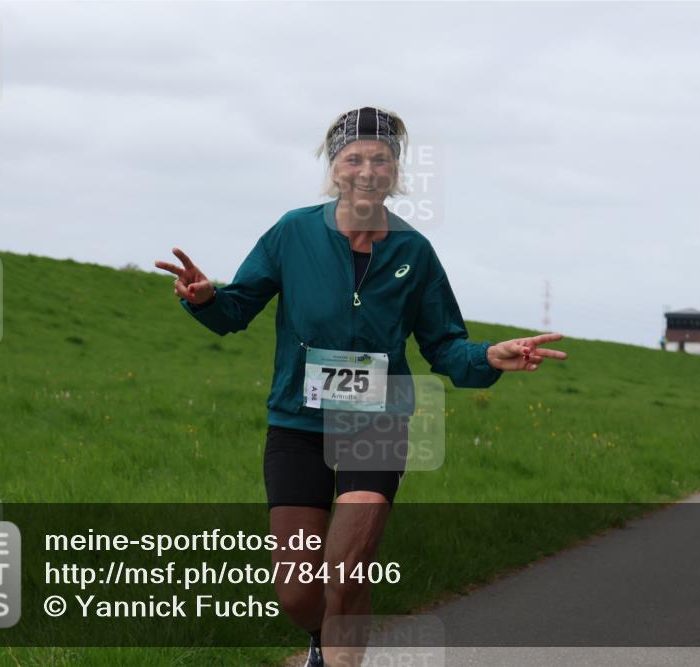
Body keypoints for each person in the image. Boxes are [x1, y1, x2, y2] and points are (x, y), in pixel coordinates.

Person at [156, 106, 568, 667]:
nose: (368, 169)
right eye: (355, 158)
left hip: (377, 421)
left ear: (396, 173)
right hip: (297, 424)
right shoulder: (292, 233)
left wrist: (489, 356)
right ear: (336, 171)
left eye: (381, 159)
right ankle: (325, 642)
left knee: (346, 569)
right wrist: (204, 300)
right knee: (298, 592)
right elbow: (235, 308)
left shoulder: (414, 253)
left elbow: (445, 345)